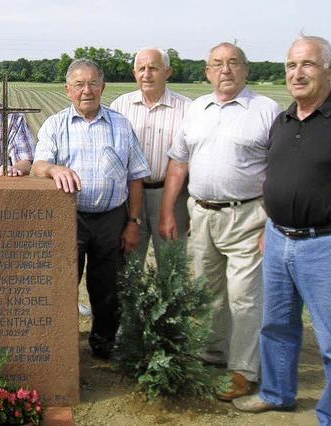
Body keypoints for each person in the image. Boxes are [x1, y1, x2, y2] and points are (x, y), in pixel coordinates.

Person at [159, 43, 282, 400]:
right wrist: (169, 210)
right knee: (208, 292)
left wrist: (270, 221)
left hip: (248, 216)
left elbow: (279, 169)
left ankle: (243, 369)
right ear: (207, 72)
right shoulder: (197, 109)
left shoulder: (265, 110)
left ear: (246, 69)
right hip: (201, 214)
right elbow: (179, 163)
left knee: (244, 297)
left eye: (232, 63)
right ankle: (212, 353)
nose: (225, 69)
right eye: (217, 64)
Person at [233, 35, 331, 423]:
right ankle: (276, 393)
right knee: (275, 325)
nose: (297, 73)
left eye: (307, 64)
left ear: (328, 70)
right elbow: (275, 177)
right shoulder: (284, 120)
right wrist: (269, 225)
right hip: (277, 239)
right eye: (291, 65)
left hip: (322, 245)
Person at [32, 59, 150, 359]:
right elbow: (39, 165)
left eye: (93, 84)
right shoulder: (56, 125)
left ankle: (104, 342)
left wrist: (133, 221)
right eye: (79, 85)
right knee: (62, 283)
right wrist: (54, 169)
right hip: (68, 219)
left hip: (112, 219)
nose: (87, 90)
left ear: (103, 87)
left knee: (107, 287)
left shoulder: (121, 125)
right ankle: (60, 345)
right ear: (68, 89)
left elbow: (136, 176)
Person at [110, 47, 191, 267]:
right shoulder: (120, 106)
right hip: (128, 198)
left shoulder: (187, 109)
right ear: (134, 72)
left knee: (172, 268)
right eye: (141, 68)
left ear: (168, 72)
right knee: (129, 266)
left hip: (171, 196)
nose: (146, 74)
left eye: (153, 68)